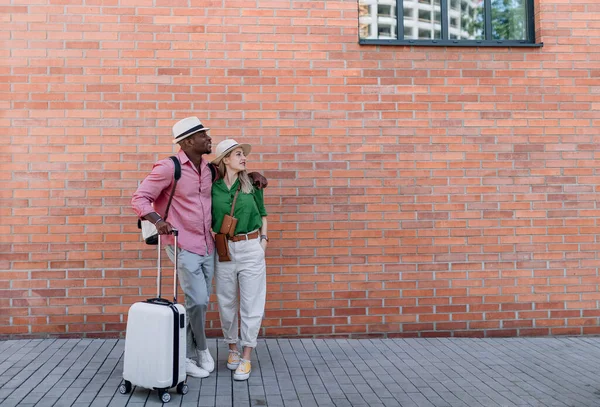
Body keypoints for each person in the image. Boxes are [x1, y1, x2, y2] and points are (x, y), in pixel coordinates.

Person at [131, 117, 266, 379]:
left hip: (207, 245)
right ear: (189, 141)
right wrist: (158, 221)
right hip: (182, 244)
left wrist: (254, 175)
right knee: (199, 300)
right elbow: (139, 198)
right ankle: (201, 350)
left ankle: (186, 355)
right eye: (204, 135)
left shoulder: (208, 169)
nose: (209, 139)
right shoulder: (168, 168)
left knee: (197, 303)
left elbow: (232, 174)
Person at [211, 139, 268, 381]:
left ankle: (246, 356)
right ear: (225, 159)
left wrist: (263, 242)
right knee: (226, 301)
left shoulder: (252, 184)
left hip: (251, 247)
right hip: (224, 250)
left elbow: (263, 214)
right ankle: (231, 348)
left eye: (243, 154)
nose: (243, 158)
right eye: (237, 154)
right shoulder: (211, 188)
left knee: (251, 304)